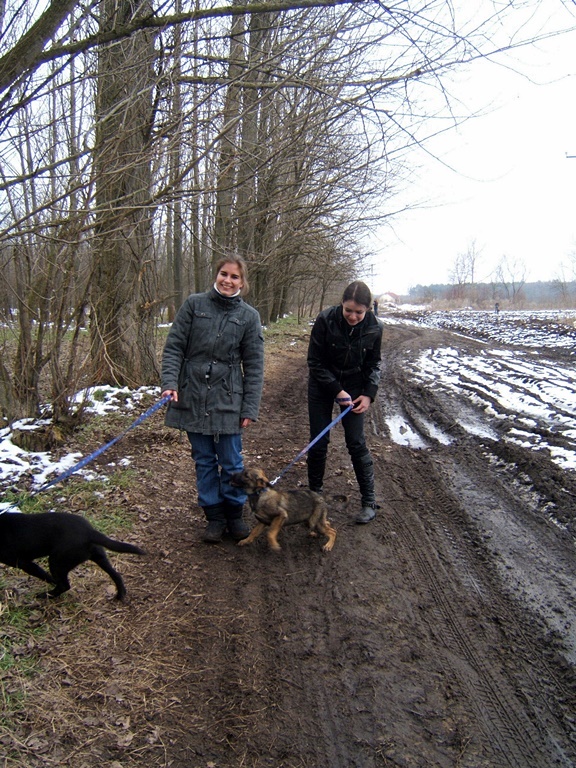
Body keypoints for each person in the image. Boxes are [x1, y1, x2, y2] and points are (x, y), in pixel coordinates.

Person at [161, 256, 264, 543]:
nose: (228, 280)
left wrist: (249, 407)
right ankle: (214, 517)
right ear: (216, 275)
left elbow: (255, 366)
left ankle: (234, 513)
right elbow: (174, 347)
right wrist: (169, 383)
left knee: (231, 461)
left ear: (242, 282)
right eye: (224, 274)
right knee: (204, 460)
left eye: (234, 276)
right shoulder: (194, 305)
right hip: (192, 395)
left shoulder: (249, 317)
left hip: (229, 398)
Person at [306, 280, 382, 523]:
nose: (353, 316)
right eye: (348, 310)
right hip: (322, 384)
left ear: (368, 309)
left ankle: (369, 501)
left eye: (359, 312)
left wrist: (368, 394)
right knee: (319, 442)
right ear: (341, 304)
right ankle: (314, 497)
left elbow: (374, 364)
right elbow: (314, 361)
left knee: (356, 442)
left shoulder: (375, 327)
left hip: (355, 385)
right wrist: (336, 390)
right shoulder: (325, 319)